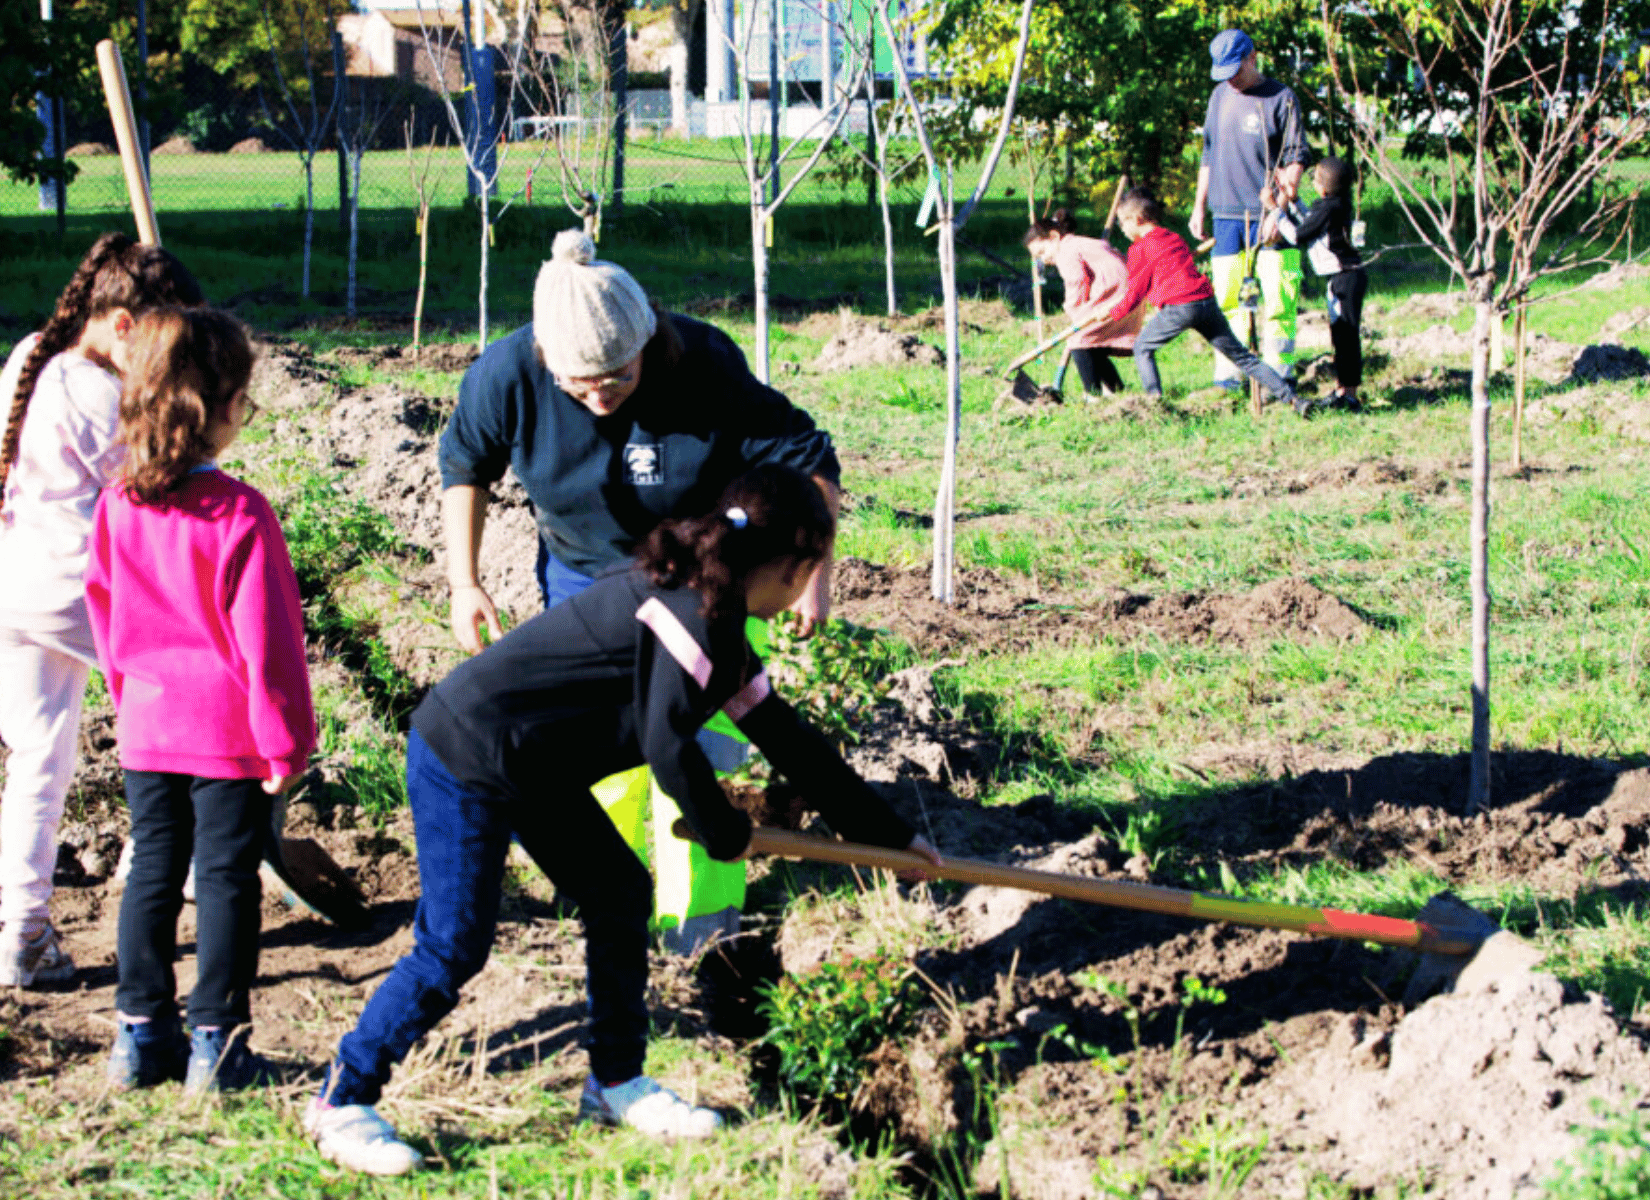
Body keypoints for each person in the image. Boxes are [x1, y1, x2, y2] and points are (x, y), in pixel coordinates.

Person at [304, 464, 942, 1175]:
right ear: (791, 567)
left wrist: (894, 836)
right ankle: (342, 1099)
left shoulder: (718, 616)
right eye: (813, 571)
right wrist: (724, 831)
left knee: (618, 892)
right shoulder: (689, 612)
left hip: (535, 765)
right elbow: (670, 747)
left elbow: (790, 741)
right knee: (455, 943)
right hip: (469, 752)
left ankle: (614, 1082)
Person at [440, 228, 847, 951]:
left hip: (706, 582)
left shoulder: (704, 360)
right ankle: (615, 908)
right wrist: (464, 581)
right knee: (608, 762)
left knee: (704, 755)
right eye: (578, 383)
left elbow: (807, 453)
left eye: (617, 378)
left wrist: (812, 574)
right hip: (583, 583)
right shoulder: (505, 374)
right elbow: (464, 467)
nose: (598, 396)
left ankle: (704, 933)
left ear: (647, 343)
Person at [85, 308, 315, 1092]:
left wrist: (130, 701)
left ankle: (138, 1035)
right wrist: (287, 741)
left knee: (153, 870)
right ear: (219, 408)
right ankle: (216, 1045)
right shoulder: (240, 514)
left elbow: (106, 614)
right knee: (224, 878)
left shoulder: (118, 505)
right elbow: (271, 644)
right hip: (227, 735)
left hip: (149, 728)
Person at [0, 233, 203, 988]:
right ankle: (197, 879)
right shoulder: (92, 391)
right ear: (121, 324)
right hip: (81, 590)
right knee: (193, 717)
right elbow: (156, 487)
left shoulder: (30, 355)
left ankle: (21, 935)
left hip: (14, 586)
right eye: (160, 339)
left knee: (39, 762)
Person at [1104, 188, 1309, 416]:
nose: (1122, 229)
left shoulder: (1139, 249)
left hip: (1179, 307)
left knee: (1142, 347)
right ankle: (1294, 400)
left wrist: (1113, 314)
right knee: (1243, 358)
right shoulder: (1173, 238)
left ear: (1136, 219)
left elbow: (1135, 292)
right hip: (1205, 302)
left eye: (1123, 222)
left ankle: (1154, 406)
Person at [1189, 28, 1311, 390]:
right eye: (1223, 74)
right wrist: (1200, 207)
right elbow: (1208, 155)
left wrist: (1280, 210)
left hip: (1269, 216)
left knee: (1278, 297)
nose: (1232, 81)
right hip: (1225, 215)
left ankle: (1279, 377)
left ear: (1252, 58)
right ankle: (1230, 376)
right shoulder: (1218, 96)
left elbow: (1295, 158)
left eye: (1235, 72)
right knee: (1228, 299)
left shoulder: (1280, 98)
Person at [1264, 156, 1367, 411]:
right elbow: (1313, 221)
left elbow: (1297, 235)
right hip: (1345, 277)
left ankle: (1349, 396)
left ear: (1322, 188)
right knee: (1342, 335)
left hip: (1345, 278)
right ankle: (1344, 391)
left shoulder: (1329, 207)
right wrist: (1295, 199)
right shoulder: (1335, 204)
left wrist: (1275, 209)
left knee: (1346, 336)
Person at [1023, 210, 1145, 397]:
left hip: (1115, 296)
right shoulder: (1080, 242)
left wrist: (1073, 310)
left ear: (1054, 237)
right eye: (1038, 257)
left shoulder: (1066, 250)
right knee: (1093, 343)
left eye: (1042, 251)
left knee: (1080, 340)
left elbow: (1077, 283)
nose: (1044, 259)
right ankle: (1116, 390)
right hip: (1131, 295)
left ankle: (1092, 395)